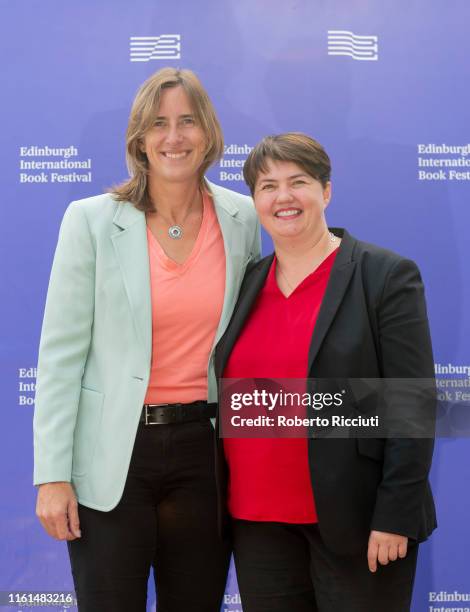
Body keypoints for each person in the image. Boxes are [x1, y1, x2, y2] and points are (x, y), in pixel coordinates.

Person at [33, 67, 260, 612]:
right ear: (139, 138)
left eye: (187, 121)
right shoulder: (90, 220)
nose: (174, 137)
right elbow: (61, 356)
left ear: (208, 133)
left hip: (205, 455)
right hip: (112, 455)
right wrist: (51, 477)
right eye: (158, 124)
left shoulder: (244, 218)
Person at [214, 133, 436, 612]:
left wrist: (394, 516)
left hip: (357, 525)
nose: (284, 197)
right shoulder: (247, 281)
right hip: (258, 526)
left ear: (326, 191)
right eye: (268, 186)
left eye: (299, 182)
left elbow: (412, 405)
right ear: (255, 201)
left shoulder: (384, 275)